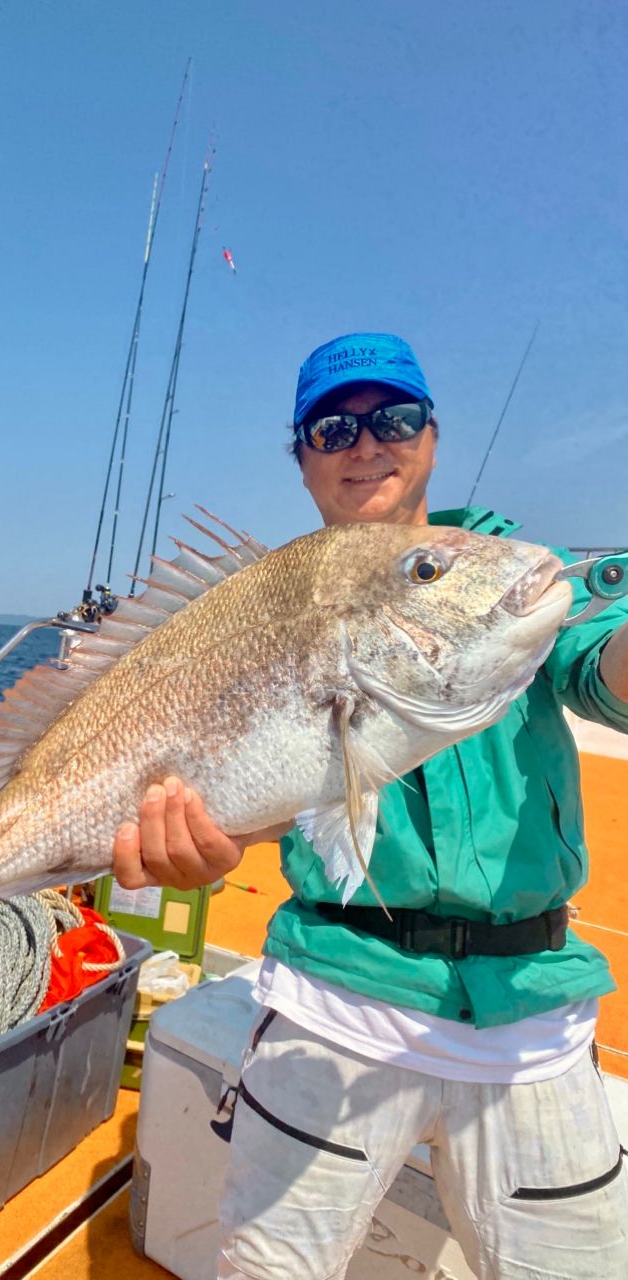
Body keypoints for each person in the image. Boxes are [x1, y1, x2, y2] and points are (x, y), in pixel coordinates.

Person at [112, 332, 628, 1279]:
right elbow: (263, 793)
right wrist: (213, 844)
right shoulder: (262, 602)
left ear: (429, 437)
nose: (366, 444)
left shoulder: (511, 571)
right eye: (332, 427)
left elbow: (606, 675)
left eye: (392, 419)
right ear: (302, 455)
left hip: (531, 1013)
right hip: (332, 1002)